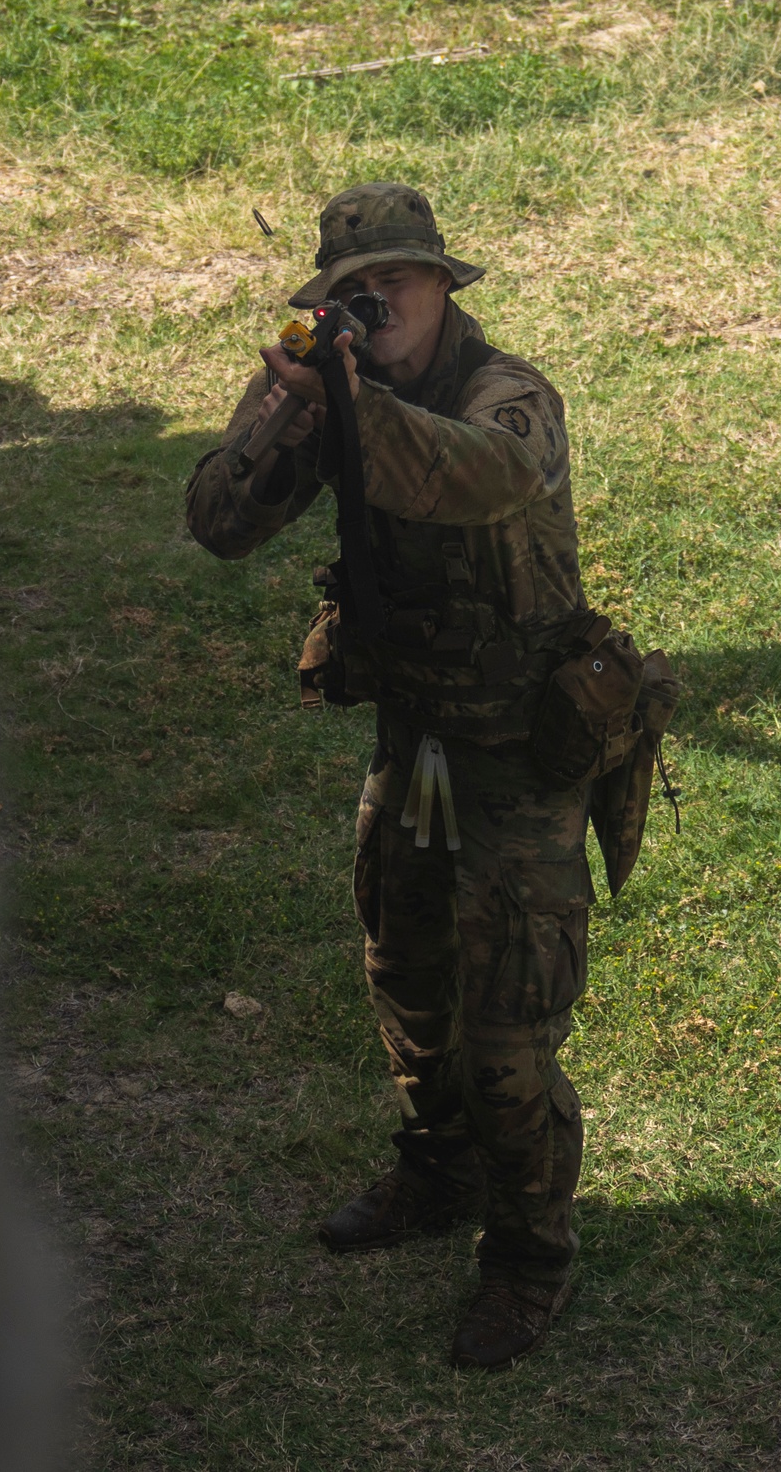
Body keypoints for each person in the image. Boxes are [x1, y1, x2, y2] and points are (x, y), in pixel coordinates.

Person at [186, 182, 595, 1370]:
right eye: (352, 294)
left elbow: (478, 480)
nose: (375, 307)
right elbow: (216, 518)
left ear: (443, 288)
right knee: (406, 969)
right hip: (415, 740)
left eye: (395, 286)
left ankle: (527, 1262)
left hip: (518, 749)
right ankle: (438, 1173)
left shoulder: (509, 397)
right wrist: (287, 412)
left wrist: (356, 411)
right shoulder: (331, 391)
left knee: (508, 1025)